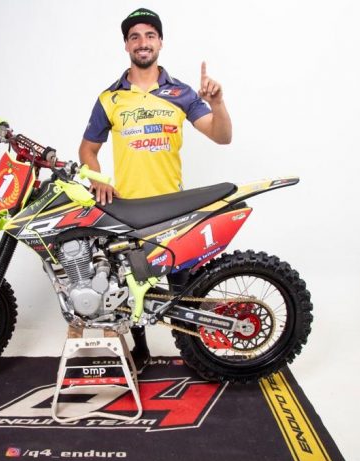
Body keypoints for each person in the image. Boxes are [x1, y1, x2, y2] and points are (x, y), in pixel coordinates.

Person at [78, 8, 233, 373]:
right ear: (126, 45)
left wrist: (217, 103)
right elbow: (87, 149)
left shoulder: (181, 93)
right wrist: (97, 179)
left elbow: (222, 136)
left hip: (175, 207)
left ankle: (194, 350)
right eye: (135, 36)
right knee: (130, 286)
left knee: (183, 285)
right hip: (128, 208)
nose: (143, 42)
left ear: (160, 42)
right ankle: (141, 350)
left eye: (150, 35)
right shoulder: (110, 98)